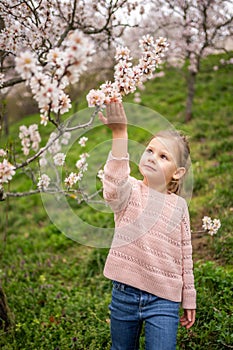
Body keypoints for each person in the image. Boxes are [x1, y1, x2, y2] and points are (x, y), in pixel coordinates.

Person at [99, 102, 196, 350]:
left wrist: (189, 297)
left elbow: (185, 255)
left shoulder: (179, 207)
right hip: (124, 293)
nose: (153, 158)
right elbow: (112, 185)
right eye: (150, 151)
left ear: (177, 172)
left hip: (164, 299)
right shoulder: (129, 190)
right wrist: (120, 135)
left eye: (163, 157)